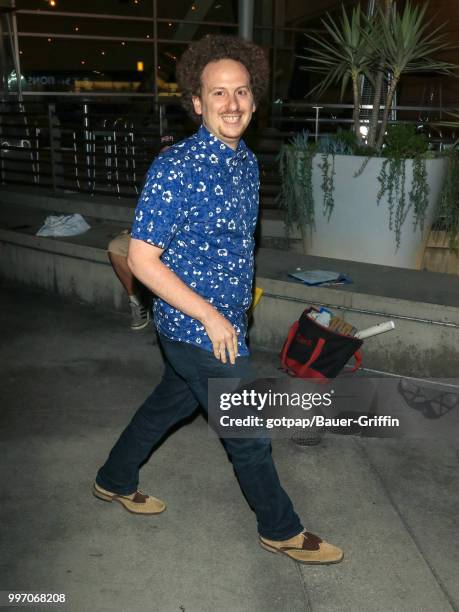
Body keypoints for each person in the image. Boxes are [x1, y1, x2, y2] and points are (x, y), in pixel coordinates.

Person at [93, 35, 343, 565]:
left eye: (242, 92)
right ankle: (281, 529)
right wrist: (210, 314)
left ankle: (113, 479)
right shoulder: (176, 169)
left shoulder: (246, 161)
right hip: (196, 329)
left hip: (226, 321)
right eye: (219, 94)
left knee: (167, 406)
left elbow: (235, 247)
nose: (232, 104)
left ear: (253, 100)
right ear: (197, 103)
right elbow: (141, 259)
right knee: (248, 436)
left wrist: (238, 304)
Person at [107, 135, 175, 331]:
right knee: (116, 247)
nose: (167, 155)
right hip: (152, 235)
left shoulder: (191, 174)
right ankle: (137, 302)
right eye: (163, 151)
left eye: (172, 150)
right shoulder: (152, 176)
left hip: (180, 239)